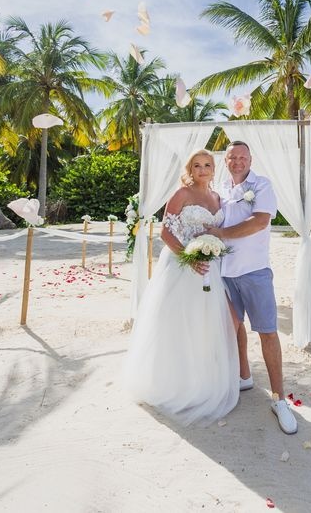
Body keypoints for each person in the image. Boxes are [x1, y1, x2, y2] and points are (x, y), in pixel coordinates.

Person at [123, 150, 240, 425]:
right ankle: (177, 383)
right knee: (178, 324)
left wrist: (208, 254)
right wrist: (190, 258)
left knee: (204, 324)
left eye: (207, 165)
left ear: (214, 169)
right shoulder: (182, 194)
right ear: (190, 169)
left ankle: (204, 379)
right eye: (197, 165)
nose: (202, 169)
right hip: (181, 266)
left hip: (209, 269)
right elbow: (165, 232)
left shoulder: (217, 197)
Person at [208, 141, 298, 435]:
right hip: (224, 272)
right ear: (225, 161)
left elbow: (259, 222)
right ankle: (244, 376)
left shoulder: (262, 185)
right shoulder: (219, 189)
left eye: (242, 157)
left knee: (267, 332)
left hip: (254, 271)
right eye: (232, 157)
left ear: (251, 159)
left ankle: (279, 400)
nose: (237, 161)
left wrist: (220, 233)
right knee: (232, 328)